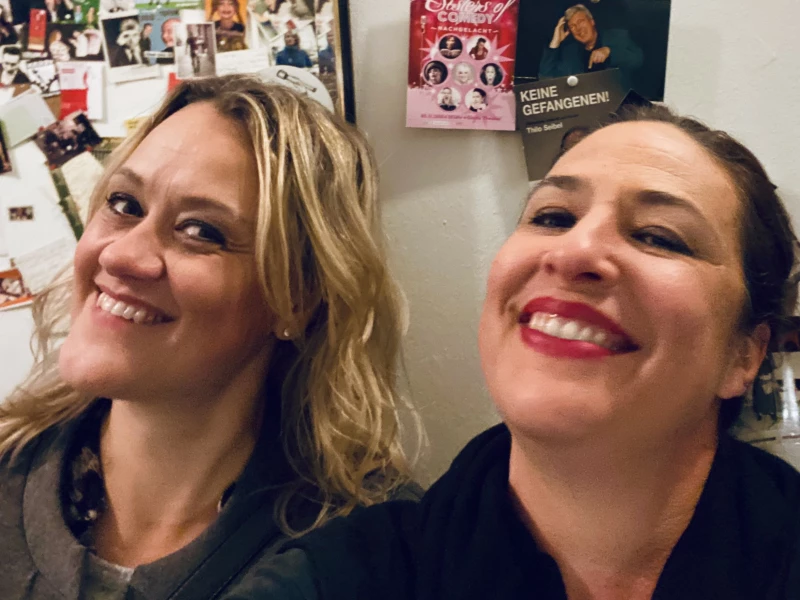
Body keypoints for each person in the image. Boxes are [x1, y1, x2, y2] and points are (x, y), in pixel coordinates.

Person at [225, 104, 800, 600]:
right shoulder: (343, 575)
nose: (573, 252)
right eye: (552, 217)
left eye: (657, 236)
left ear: (744, 356)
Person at [0, 75, 419, 598]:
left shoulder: (370, 554)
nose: (121, 255)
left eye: (201, 231)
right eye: (124, 204)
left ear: (297, 298)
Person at [539, 4, 642, 91]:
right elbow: (546, 78)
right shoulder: (570, 53)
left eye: (580, 21)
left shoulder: (617, 37)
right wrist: (555, 42)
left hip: (620, 104)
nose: (578, 28)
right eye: (572, 26)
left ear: (592, 21)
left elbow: (638, 59)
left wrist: (609, 52)